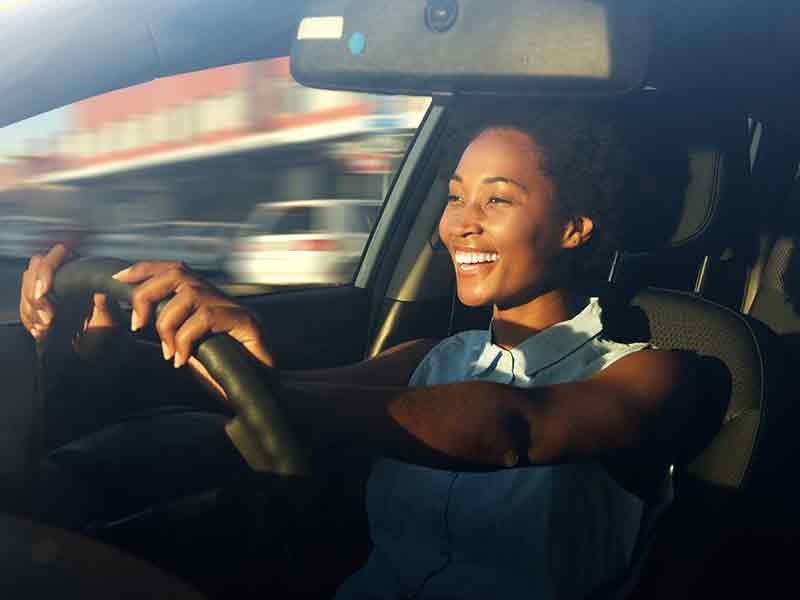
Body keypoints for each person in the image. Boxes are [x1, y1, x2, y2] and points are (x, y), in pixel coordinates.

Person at [19, 104, 698, 599]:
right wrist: (109, 350)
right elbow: (279, 399)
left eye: (498, 200)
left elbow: (515, 427)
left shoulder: (647, 370)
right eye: (456, 196)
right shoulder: (432, 357)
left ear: (575, 228)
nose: (462, 221)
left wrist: (271, 390)